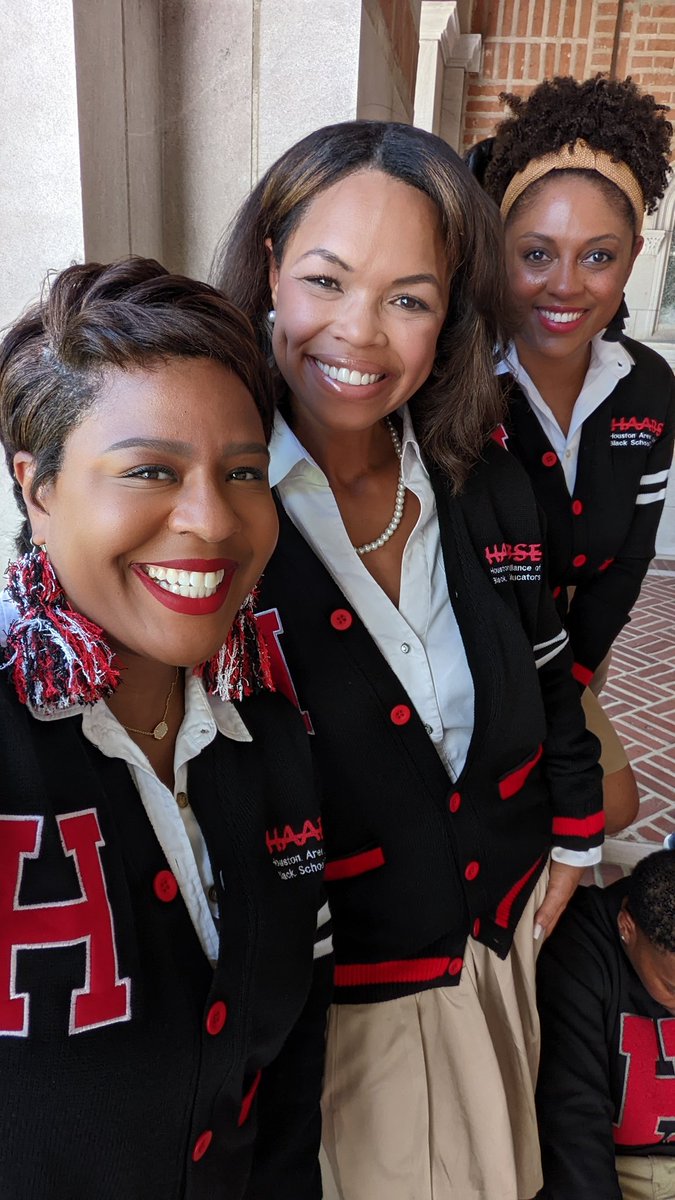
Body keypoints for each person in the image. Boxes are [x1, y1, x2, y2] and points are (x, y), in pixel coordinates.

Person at [213, 120, 604, 1200]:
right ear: (267, 276)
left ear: (453, 317)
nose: (360, 333)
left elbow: (548, 666)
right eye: (327, 281)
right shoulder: (209, 513)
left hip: (493, 953)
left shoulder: (480, 474)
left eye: (409, 298)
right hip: (333, 1013)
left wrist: (571, 844)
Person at [0, 257, 331, 1200]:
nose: (211, 520)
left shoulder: (265, 727)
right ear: (39, 487)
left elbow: (285, 1076)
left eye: (242, 472)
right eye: (149, 470)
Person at [479, 75, 675, 834]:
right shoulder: (455, 385)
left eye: (597, 255)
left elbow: (626, 563)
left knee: (608, 804)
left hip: (563, 659)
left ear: (631, 259)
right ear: (497, 250)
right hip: (470, 648)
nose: (564, 285)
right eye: (535, 253)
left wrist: (572, 679)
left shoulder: (649, 388)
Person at [536, 848, 675, 1200]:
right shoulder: (578, 952)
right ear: (627, 927)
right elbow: (573, 1116)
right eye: (672, 988)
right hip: (613, 1171)